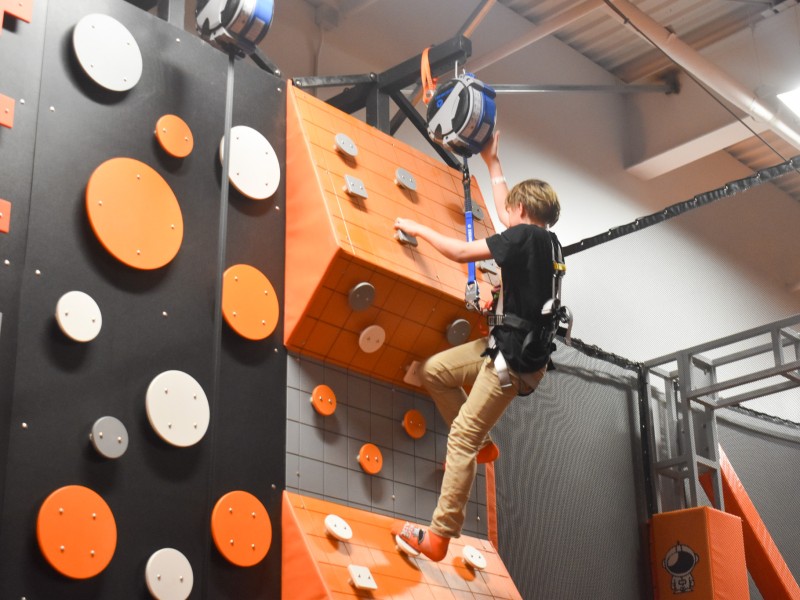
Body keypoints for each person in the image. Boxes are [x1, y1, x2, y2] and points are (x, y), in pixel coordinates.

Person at [391, 131, 563, 561]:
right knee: (436, 372)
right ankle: (484, 445)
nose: (507, 214)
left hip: (511, 364)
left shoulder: (524, 237)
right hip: (506, 348)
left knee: (460, 441)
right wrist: (493, 162)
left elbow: (462, 251)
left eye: (511, 209)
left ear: (521, 211)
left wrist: (418, 228)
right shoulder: (548, 244)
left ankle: (438, 538)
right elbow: (512, 220)